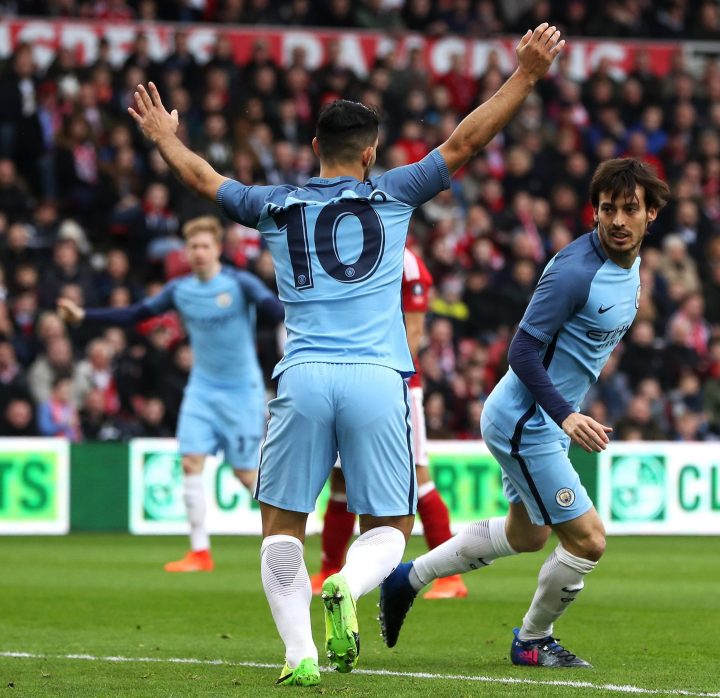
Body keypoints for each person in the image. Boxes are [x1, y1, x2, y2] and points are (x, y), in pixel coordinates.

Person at [125, 23, 564, 686]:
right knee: (390, 524)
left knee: (280, 526)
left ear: (314, 149)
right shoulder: (395, 192)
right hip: (376, 377)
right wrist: (526, 74)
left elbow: (202, 179)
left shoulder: (275, 202)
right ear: (371, 154)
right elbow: (468, 140)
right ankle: (348, 587)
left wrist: (163, 137)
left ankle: (300, 655)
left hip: (300, 376)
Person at [379, 158, 670, 667]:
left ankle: (407, 578)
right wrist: (564, 414)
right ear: (594, 213)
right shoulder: (577, 272)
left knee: (528, 534)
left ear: (652, 215)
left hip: (541, 418)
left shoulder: (630, 265)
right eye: (608, 210)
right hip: (527, 421)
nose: (619, 220)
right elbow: (522, 352)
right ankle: (533, 641)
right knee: (588, 539)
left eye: (630, 209)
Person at [58, 216, 283, 571]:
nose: (198, 252)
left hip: (242, 391)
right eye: (192, 246)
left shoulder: (240, 284)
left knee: (245, 474)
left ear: (217, 249)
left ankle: (286, 535)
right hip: (202, 389)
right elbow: (134, 314)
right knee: (190, 461)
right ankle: (199, 551)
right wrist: (84, 316)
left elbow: (277, 311)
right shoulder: (181, 290)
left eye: (204, 246)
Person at [312, 245, 467, 600]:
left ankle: (450, 577)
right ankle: (327, 571)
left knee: (418, 474)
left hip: (396, 386)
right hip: (345, 381)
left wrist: (383, 379)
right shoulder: (343, 251)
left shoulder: (406, 260)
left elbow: (413, 336)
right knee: (340, 479)